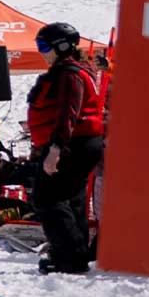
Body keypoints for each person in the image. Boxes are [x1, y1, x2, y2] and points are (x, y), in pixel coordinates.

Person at [25, 23, 104, 275]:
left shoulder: (69, 74)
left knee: (47, 198)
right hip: (80, 143)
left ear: (60, 47)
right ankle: (76, 255)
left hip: (72, 144)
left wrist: (55, 148)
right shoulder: (74, 71)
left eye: (44, 46)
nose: (41, 52)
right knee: (71, 197)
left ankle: (69, 257)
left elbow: (68, 113)